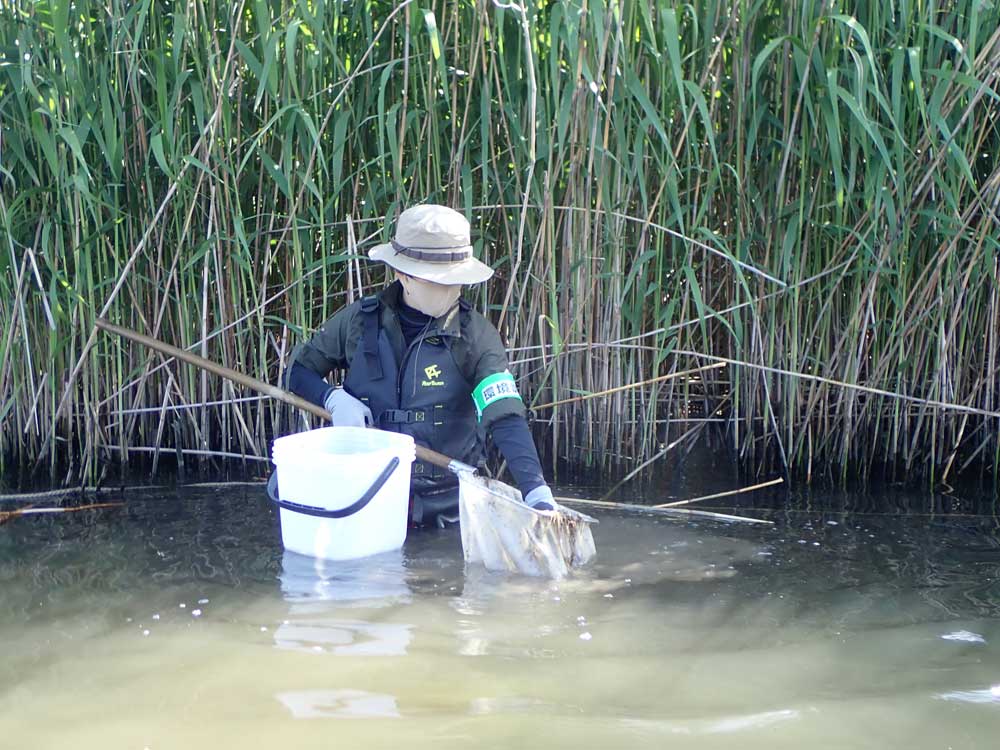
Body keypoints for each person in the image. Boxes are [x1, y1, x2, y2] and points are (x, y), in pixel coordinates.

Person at [285, 204, 555, 525]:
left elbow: (505, 415)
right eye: (439, 281)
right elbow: (298, 372)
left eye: (458, 281)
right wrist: (333, 398)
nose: (452, 290)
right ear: (403, 276)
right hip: (365, 495)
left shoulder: (475, 337)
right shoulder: (359, 321)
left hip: (449, 505)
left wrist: (536, 490)